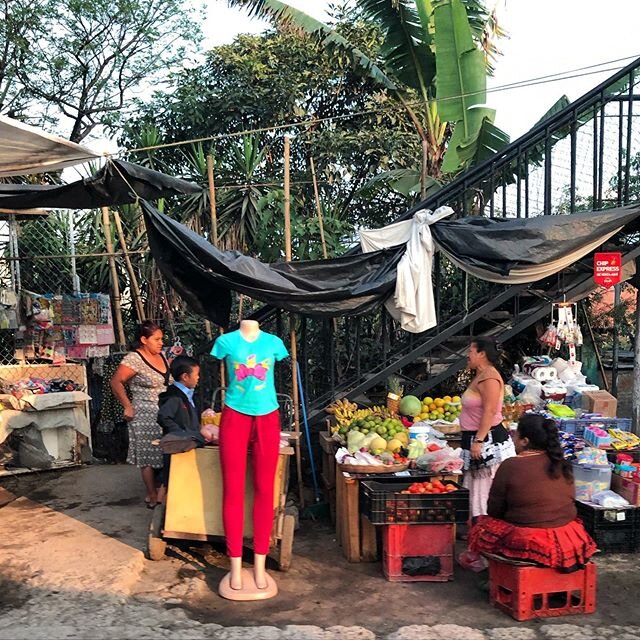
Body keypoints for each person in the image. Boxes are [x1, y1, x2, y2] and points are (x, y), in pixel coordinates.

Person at [211, 319, 288, 598]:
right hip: (234, 415)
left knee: (265, 490)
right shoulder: (226, 342)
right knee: (232, 490)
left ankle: (259, 564)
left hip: (268, 416)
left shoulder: (274, 344)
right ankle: (233, 564)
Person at [470, 414, 597, 570]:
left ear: (525, 441)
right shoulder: (561, 462)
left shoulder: (510, 465)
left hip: (531, 539)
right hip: (568, 537)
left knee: (479, 525)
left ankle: (497, 577)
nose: (513, 439)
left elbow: (494, 510)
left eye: (515, 435)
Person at [111, 321, 169, 508]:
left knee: (163, 451)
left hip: (164, 411)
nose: (161, 342)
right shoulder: (133, 359)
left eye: (161, 339)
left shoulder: (163, 356)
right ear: (144, 340)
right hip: (144, 413)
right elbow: (116, 382)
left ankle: (161, 491)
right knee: (147, 456)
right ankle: (152, 495)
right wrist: (127, 406)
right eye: (157, 339)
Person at [460, 337, 515, 520]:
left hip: (487, 441)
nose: (467, 355)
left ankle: (485, 529)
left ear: (482, 354)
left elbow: (490, 410)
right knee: (475, 488)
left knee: (483, 490)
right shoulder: (481, 376)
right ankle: (476, 527)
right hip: (477, 438)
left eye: (471, 351)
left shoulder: (489, 377)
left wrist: (479, 440)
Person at [156, 355, 207, 501]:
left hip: (185, 442)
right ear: (185, 376)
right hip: (177, 444)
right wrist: (180, 434)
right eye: (196, 375)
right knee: (170, 480)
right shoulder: (174, 397)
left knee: (173, 480)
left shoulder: (188, 394)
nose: (198, 378)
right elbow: (163, 417)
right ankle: (161, 511)